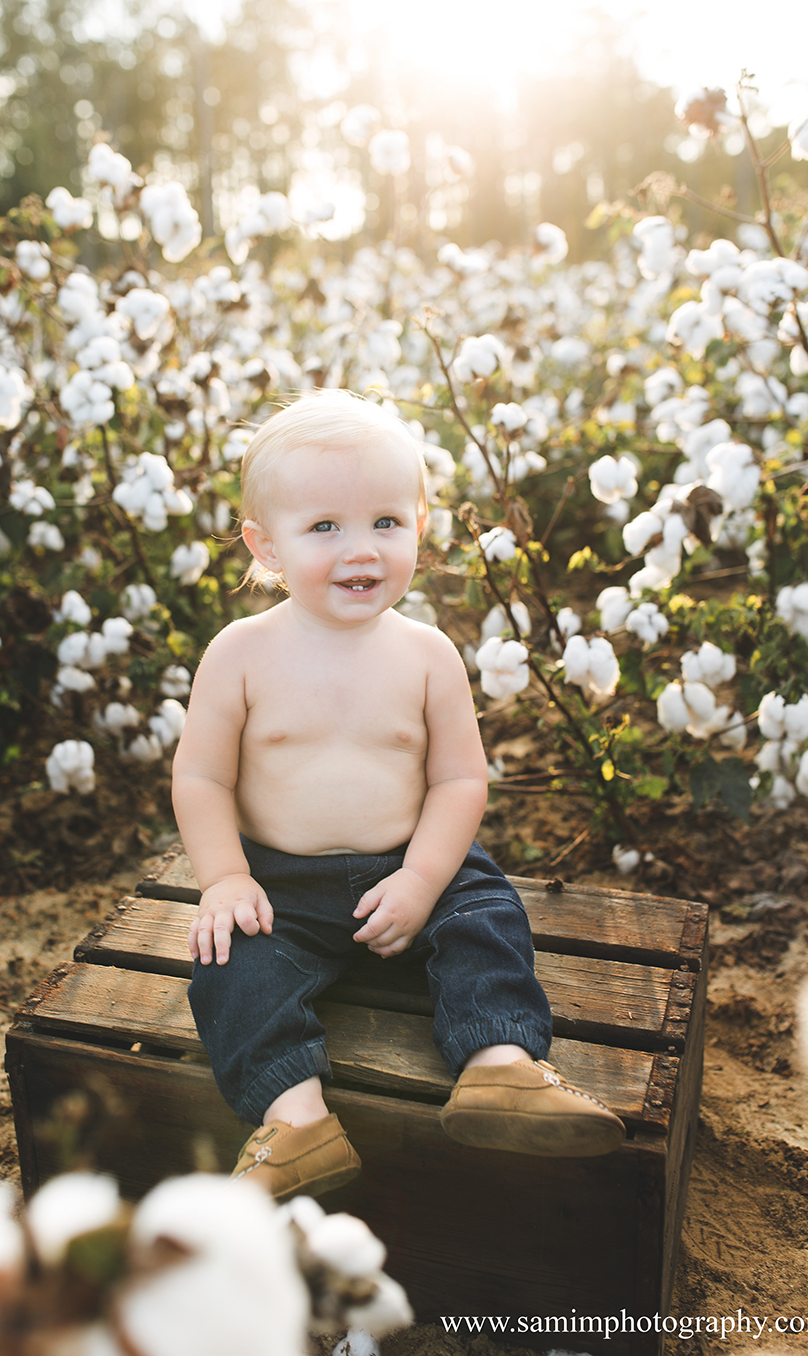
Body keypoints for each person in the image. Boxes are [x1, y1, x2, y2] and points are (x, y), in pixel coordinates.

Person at [172, 390, 623, 1200]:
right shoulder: (240, 653)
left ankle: (499, 1063)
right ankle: (295, 1118)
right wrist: (225, 878)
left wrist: (420, 880)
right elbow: (203, 777)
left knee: (485, 913)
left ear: (420, 525)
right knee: (229, 964)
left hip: (411, 864)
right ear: (265, 546)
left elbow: (459, 779)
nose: (362, 550)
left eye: (386, 522)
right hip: (280, 885)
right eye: (325, 528)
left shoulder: (426, 654)